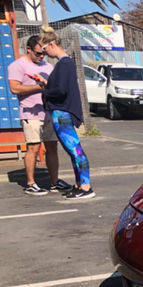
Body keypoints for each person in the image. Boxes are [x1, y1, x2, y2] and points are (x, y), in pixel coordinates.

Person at [7, 35, 71, 196]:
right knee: (33, 147)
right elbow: (15, 89)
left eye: (43, 53)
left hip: (49, 112)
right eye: (38, 53)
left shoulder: (48, 66)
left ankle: (54, 181)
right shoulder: (17, 66)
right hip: (30, 112)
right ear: (28, 49)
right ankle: (30, 183)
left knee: (52, 147)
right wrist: (39, 86)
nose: (41, 56)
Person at [36, 27, 94, 200]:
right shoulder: (65, 63)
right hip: (62, 111)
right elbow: (61, 87)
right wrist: (47, 84)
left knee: (75, 150)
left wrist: (44, 93)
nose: (44, 53)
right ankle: (79, 185)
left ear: (52, 44)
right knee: (72, 151)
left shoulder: (64, 63)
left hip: (62, 113)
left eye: (44, 49)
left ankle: (86, 187)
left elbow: (60, 90)